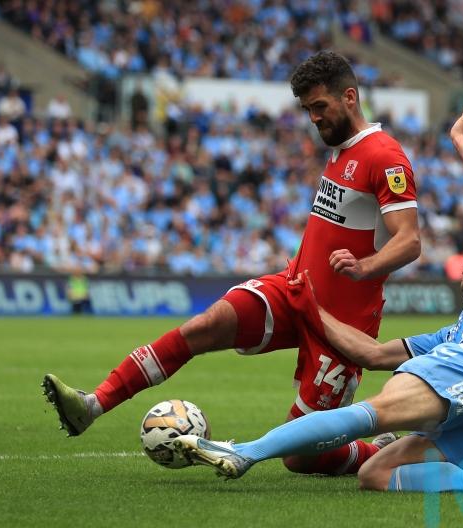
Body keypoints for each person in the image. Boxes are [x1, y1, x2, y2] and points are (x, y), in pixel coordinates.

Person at [42, 51, 421, 476]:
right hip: (293, 290)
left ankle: (389, 453)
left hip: (343, 326)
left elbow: (409, 240)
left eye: (319, 107)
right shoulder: (340, 149)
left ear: (350, 97)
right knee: (203, 326)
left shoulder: (385, 156)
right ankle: (91, 406)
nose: (313, 119)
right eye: (307, 110)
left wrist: (365, 267)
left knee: (301, 456)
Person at [172, 103, 463, 497]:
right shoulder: (458, 332)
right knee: (377, 472)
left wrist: (458, 139)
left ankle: (245, 452)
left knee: (370, 414)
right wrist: (312, 310)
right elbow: (373, 355)